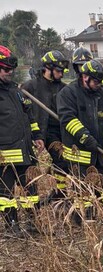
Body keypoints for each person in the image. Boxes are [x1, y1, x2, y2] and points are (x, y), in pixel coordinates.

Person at [57, 59, 103, 214]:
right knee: (82, 193)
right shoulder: (68, 93)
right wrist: (86, 138)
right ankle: (85, 222)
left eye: (101, 81)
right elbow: (67, 119)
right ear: (84, 77)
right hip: (80, 154)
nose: (99, 84)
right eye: (96, 81)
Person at [0, 45, 44, 232]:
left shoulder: (16, 91)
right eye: (6, 70)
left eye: (12, 70)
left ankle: (33, 224)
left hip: (25, 149)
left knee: (31, 189)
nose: (10, 73)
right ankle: (12, 226)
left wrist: (37, 136)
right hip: (5, 152)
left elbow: (29, 116)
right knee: (6, 193)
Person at [21, 50, 70, 185]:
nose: (61, 74)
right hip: (38, 130)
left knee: (62, 162)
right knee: (30, 164)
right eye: (58, 71)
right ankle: (30, 192)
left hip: (58, 131)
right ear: (48, 69)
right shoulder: (30, 87)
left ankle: (60, 192)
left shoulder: (64, 89)